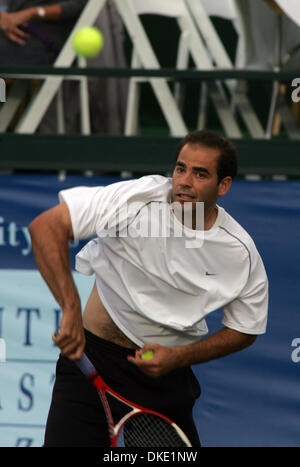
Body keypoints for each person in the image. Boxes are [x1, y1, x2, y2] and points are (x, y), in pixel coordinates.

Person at [28, 130, 269, 447]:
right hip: (91, 365)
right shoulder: (136, 199)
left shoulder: (240, 252)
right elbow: (46, 227)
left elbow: (244, 328)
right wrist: (70, 308)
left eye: (200, 174)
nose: (184, 181)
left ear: (223, 185)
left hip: (164, 380)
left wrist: (180, 357)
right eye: (181, 168)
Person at [0, 0, 86, 65]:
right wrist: (3, 14)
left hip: (46, 38)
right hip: (8, 29)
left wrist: (33, 12)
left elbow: (80, 4)